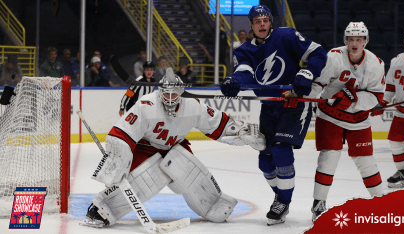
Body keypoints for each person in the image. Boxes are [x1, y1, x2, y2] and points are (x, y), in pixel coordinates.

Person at [80, 68, 266, 228]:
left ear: (181, 92)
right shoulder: (146, 105)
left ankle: (212, 205)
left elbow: (219, 124)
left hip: (174, 147)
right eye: (166, 94)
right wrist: (118, 164)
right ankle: (102, 210)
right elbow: (121, 134)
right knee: (144, 180)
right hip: (146, 148)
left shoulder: (193, 106)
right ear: (160, 92)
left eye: (174, 94)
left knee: (187, 170)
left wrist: (243, 132)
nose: (169, 99)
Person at [220, 5, 327, 226]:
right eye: (257, 21)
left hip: (294, 102)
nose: (261, 24)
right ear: (250, 25)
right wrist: (234, 83)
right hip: (269, 107)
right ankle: (281, 196)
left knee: (280, 149)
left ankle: (282, 202)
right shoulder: (243, 50)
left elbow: (317, 53)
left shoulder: (286, 36)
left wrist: (306, 73)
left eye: (265, 20)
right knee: (265, 161)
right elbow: (245, 73)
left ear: (270, 22)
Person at [305, 22, 385, 221]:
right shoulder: (333, 56)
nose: (355, 43)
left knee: (365, 161)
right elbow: (318, 84)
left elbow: (376, 97)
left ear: (366, 41)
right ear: (345, 41)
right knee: (328, 157)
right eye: (351, 39)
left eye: (359, 39)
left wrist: (354, 99)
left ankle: (382, 202)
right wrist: (304, 97)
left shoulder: (376, 63)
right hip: (330, 115)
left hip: (358, 119)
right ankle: (319, 203)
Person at [371, 31, 404, 189]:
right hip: (402, 111)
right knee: (395, 142)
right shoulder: (396, 62)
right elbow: (390, 87)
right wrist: (383, 102)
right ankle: (401, 172)